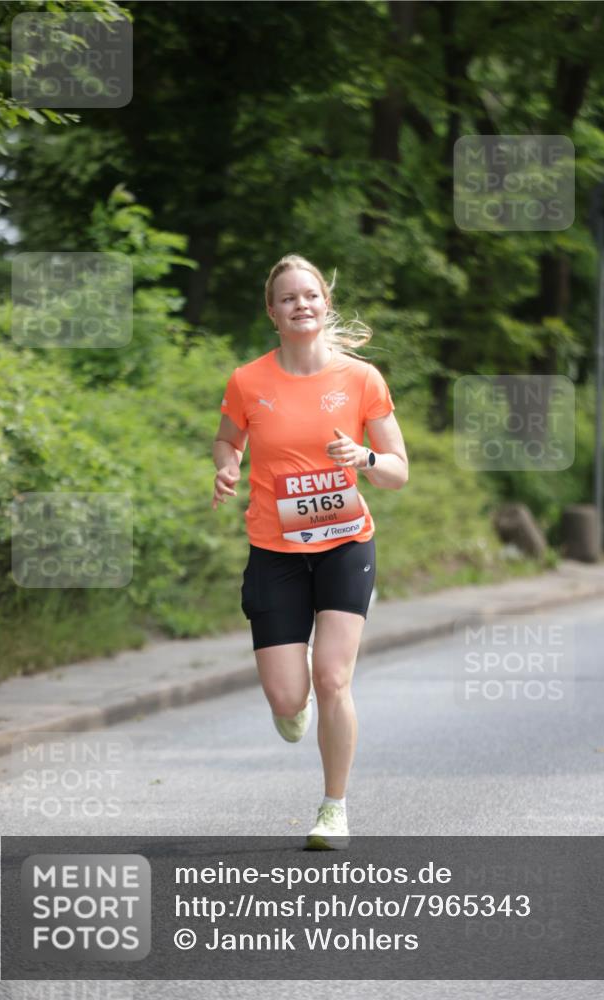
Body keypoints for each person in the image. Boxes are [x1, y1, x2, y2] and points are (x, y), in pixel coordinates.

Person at [212, 253, 408, 849]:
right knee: (287, 696)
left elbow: (397, 470)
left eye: (310, 295)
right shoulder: (248, 381)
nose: (301, 304)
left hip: (346, 543)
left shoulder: (362, 379)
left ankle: (333, 809)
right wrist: (227, 466)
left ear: (326, 305)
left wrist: (365, 458)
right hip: (275, 549)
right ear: (272, 313)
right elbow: (228, 440)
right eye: (288, 297)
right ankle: (289, 704)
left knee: (332, 678)